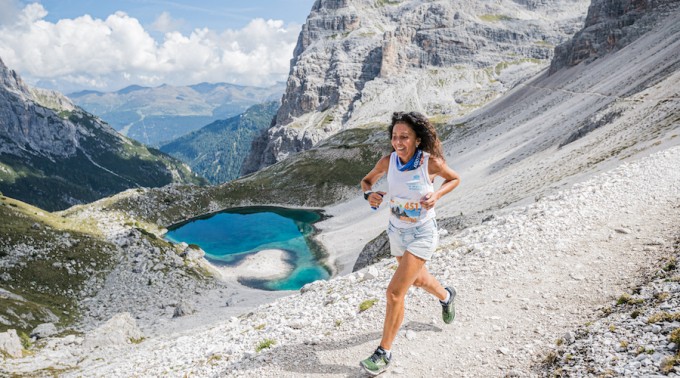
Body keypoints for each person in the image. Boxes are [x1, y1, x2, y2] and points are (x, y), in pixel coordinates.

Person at [359, 111, 461, 376]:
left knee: (394, 292)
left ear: (417, 140)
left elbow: (455, 179)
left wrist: (436, 194)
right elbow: (367, 181)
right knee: (416, 280)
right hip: (397, 232)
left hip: (422, 232)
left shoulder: (430, 163)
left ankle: (384, 353)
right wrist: (370, 195)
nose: (398, 142)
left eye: (405, 137)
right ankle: (447, 296)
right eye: (395, 137)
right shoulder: (388, 161)